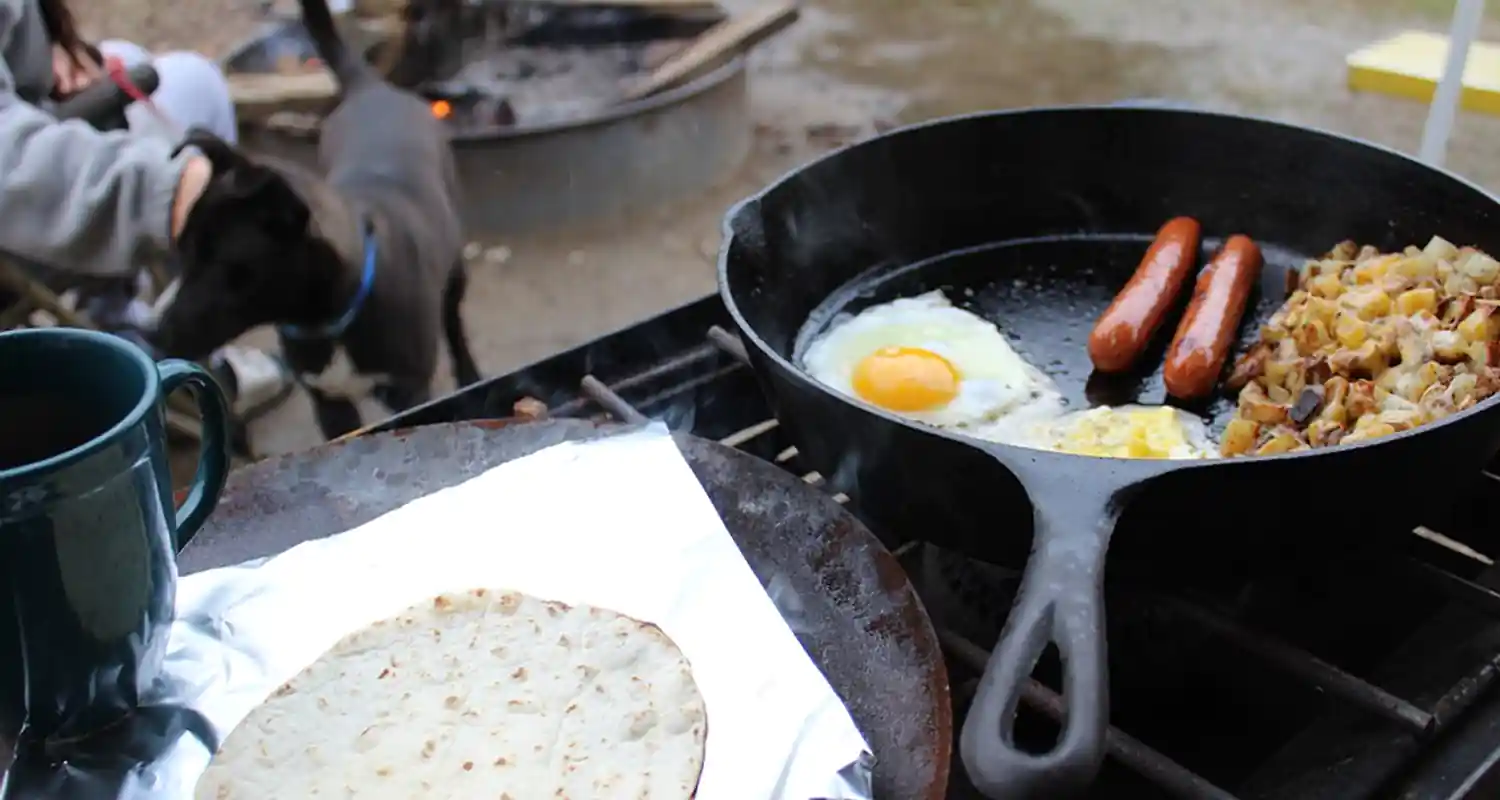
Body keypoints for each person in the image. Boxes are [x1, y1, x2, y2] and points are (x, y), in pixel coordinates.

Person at [0, 0, 293, 419]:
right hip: (16, 225)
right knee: (198, 86)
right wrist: (166, 190)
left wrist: (47, 41)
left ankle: (113, 317)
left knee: (129, 59)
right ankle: (187, 359)